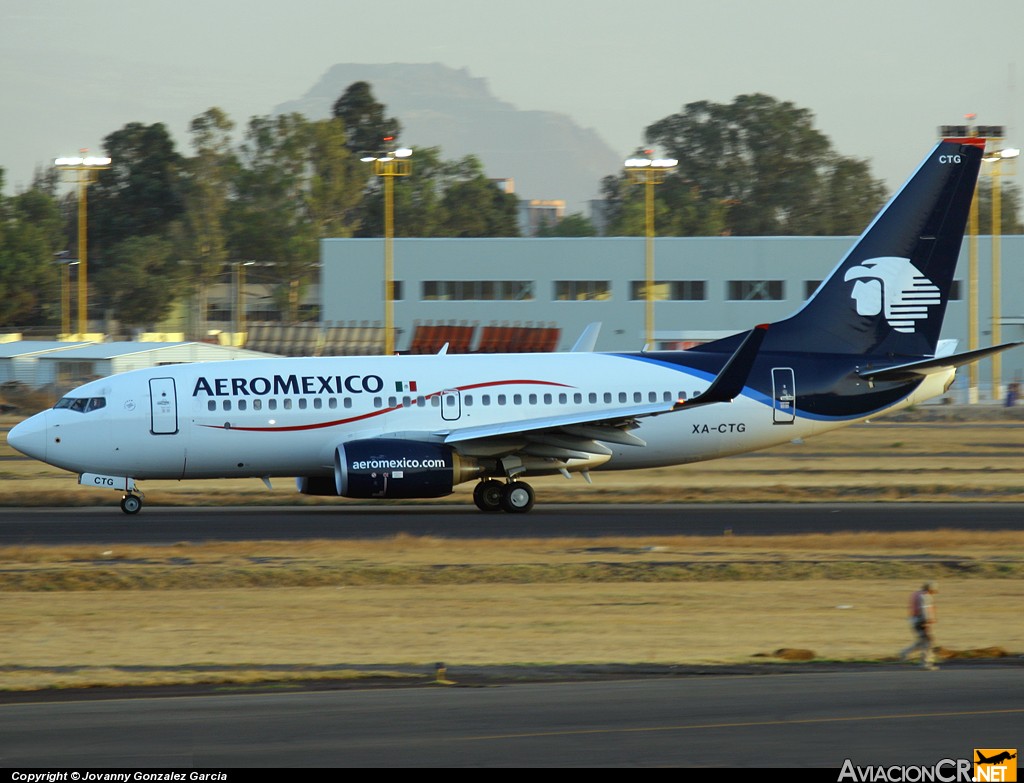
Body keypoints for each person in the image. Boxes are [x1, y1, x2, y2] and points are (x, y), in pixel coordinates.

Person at [900, 582, 938, 670]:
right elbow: (925, 609)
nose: (936, 591)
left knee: (921, 641)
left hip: (914, 620)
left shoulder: (916, 593)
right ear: (930, 589)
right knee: (928, 643)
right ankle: (925, 664)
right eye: (935, 589)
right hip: (921, 621)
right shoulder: (925, 596)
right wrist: (927, 622)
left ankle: (904, 653)